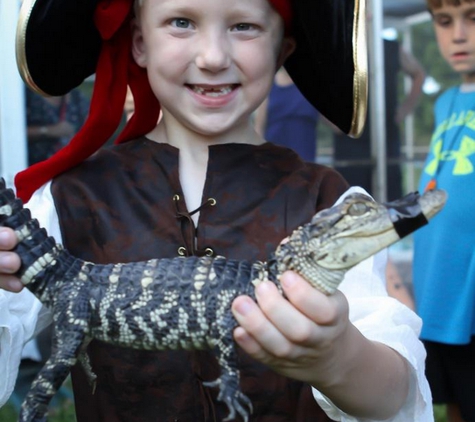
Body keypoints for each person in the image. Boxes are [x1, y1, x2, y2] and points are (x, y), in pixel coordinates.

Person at [0, 0, 433, 421]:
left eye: (244, 25)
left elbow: (395, 397)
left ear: (282, 48)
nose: (212, 56)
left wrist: (339, 359)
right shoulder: (66, 199)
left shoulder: (328, 202)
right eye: (181, 21)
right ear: (139, 42)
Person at [412, 1, 475, 421]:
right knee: (447, 404)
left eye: (473, 17)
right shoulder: (445, 102)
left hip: (469, 299)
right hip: (437, 291)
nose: (457, 34)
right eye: (444, 21)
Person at [333, 39, 426, 201]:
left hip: (386, 138)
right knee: (350, 202)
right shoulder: (337, 46)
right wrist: (330, 120)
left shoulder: (390, 48)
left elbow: (419, 74)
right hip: (350, 141)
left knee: (390, 201)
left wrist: (404, 110)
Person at [254, 67, 319, 162]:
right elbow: (259, 127)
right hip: (274, 161)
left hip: (304, 163)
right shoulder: (268, 84)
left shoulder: (314, 86)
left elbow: (336, 125)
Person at [26, 88, 89, 165]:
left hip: (71, 168)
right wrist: (49, 131)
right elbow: (13, 132)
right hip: (35, 167)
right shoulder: (26, 97)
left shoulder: (77, 98)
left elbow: (92, 131)